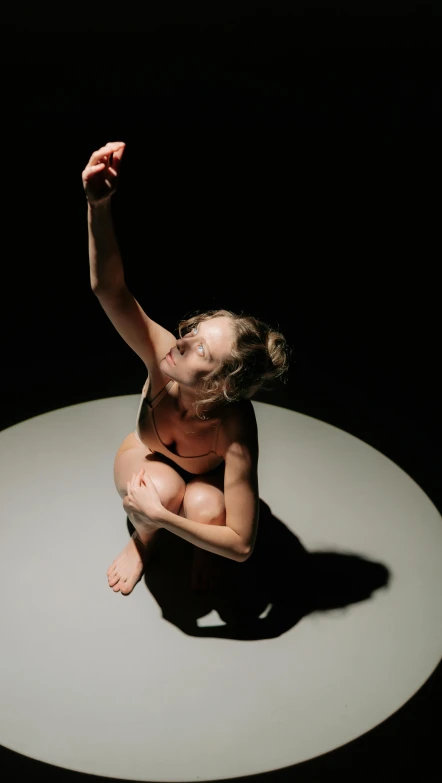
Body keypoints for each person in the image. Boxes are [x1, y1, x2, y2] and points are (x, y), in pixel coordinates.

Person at [82, 141, 291, 596]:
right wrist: (98, 206)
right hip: (150, 457)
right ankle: (145, 543)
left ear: (219, 384)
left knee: (200, 505)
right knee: (157, 488)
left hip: (207, 486)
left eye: (200, 351)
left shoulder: (235, 427)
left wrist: (169, 518)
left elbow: (241, 543)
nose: (182, 342)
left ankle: (188, 541)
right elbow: (109, 289)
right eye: (194, 331)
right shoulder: (163, 358)